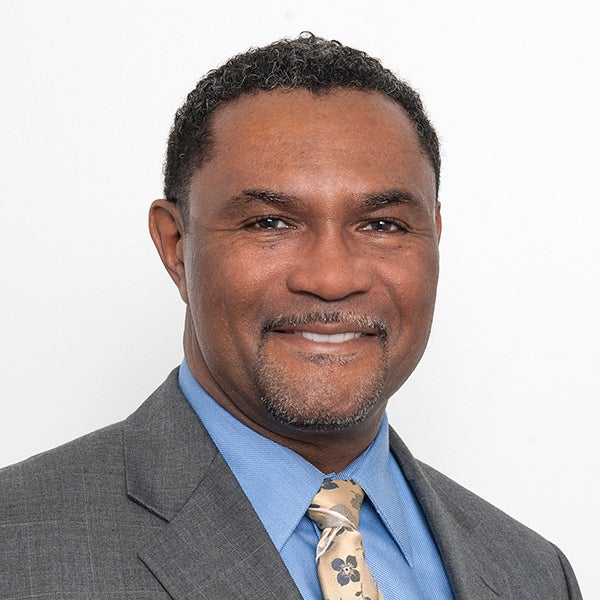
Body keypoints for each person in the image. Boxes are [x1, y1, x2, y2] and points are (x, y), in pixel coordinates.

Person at [0, 34, 581, 600]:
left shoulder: (531, 573)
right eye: (269, 223)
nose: (332, 278)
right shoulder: (17, 548)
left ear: (435, 237)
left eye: (383, 225)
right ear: (176, 246)